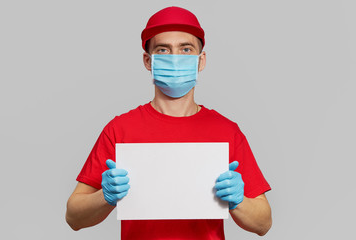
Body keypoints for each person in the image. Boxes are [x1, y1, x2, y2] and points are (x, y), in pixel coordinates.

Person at [66, 6, 272, 239]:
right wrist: (103, 196)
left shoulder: (226, 131)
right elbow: (74, 217)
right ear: (148, 61)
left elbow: (263, 223)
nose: (175, 58)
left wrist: (238, 201)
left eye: (186, 49)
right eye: (163, 50)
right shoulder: (120, 129)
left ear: (201, 60)